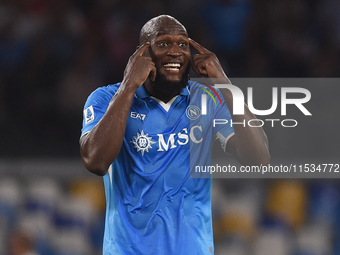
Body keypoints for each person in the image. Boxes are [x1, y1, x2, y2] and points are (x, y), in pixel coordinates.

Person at [80, 15, 270, 255]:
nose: (175, 52)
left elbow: (258, 159)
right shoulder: (106, 99)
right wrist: (129, 86)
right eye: (163, 43)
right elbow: (95, 161)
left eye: (182, 44)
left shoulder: (208, 99)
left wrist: (224, 82)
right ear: (143, 53)